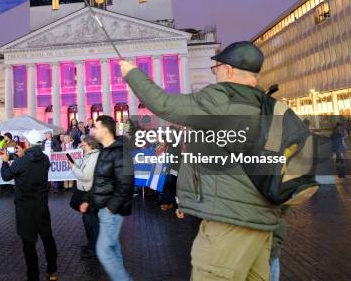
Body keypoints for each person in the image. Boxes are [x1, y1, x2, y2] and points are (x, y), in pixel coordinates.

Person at [121, 41, 281, 281]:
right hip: (264, 224)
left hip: (228, 222)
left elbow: (164, 104)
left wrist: (131, 73)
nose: (214, 74)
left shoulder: (221, 99)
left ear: (228, 70)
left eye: (215, 69)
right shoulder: (268, 106)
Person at [80, 116, 133, 280]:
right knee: (113, 249)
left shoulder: (119, 152)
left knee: (103, 250)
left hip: (112, 211)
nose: (93, 129)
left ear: (105, 130)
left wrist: (111, 207)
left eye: (95, 126)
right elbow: (100, 181)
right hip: (105, 209)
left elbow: (125, 184)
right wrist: (89, 201)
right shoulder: (105, 151)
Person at [1, 129, 58, 281]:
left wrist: (5, 162)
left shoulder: (21, 162)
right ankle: (52, 269)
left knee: (28, 243)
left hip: (25, 207)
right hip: (41, 205)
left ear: (27, 143)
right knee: (47, 237)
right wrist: (24, 155)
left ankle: (33, 276)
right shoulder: (45, 159)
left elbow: (6, 176)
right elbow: (33, 162)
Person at [68, 134, 101, 259]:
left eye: (83, 144)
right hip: (85, 192)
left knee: (92, 223)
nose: (81, 146)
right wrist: (75, 165)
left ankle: (94, 250)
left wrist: (73, 168)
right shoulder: (89, 155)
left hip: (89, 194)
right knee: (88, 222)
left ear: (90, 145)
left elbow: (86, 176)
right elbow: (84, 170)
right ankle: (91, 246)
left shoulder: (94, 157)